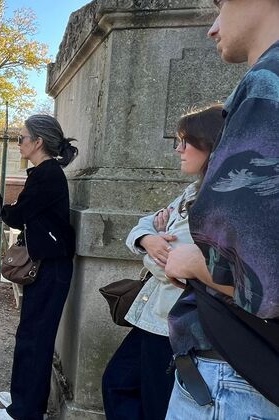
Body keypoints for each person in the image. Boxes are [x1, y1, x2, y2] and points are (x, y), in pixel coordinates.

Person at [164, 1, 279, 417]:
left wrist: (195, 263)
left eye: (221, 4)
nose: (212, 28)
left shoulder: (266, 84)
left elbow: (263, 281)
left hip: (236, 374)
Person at [101, 105, 223, 420]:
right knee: (118, 383)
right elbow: (143, 225)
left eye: (186, 141)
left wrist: (154, 247)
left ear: (209, 144)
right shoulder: (191, 191)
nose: (178, 149)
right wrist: (148, 239)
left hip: (177, 320)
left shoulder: (215, 199)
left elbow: (172, 267)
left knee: (152, 401)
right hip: (156, 317)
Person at [0, 115, 78, 420]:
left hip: (50, 267)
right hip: (48, 264)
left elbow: (18, 215)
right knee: (30, 333)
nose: (19, 144)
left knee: (35, 338)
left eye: (22, 138)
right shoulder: (45, 172)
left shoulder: (46, 174)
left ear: (38, 142)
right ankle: (22, 396)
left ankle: (26, 411)